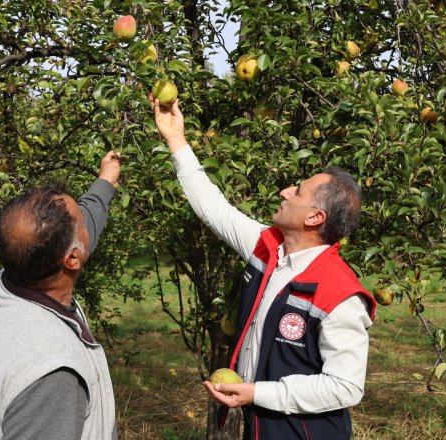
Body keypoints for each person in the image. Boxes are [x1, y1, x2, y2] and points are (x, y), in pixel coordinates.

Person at [152, 98, 377, 439]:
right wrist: (176, 140)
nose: (285, 191)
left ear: (315, 217)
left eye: (298, 191)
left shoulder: (339, 294)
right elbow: (214, 209)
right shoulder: (267, 248)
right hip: (260, 427)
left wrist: (258, 393)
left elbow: (345, 387)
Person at [0, 151, 122, 440]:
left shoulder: (3, 285)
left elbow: (85, 227)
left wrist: (106, 180)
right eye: (82, 223)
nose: (88, 223)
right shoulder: (52, 370)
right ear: (72, 259)